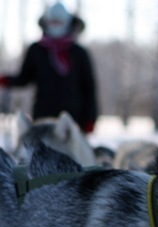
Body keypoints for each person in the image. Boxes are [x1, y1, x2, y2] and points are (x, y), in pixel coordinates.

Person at [0, 1, 98, 134]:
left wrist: (91, 118)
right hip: (43, 118)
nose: (56, 26)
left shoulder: (79, 53)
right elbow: (24, 78)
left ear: (69, 23)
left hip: (73, 121)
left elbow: (89, 88)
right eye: (53, 22)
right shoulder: (36, 50)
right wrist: (5, 80)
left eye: (60, 22)